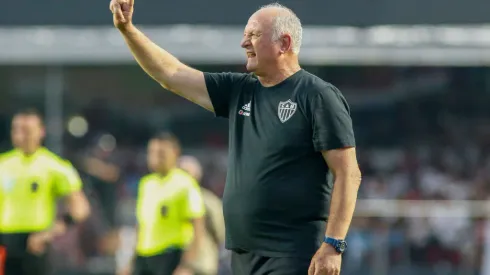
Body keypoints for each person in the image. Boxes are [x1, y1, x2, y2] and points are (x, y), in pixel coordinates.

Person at [109, 1, 362, 274]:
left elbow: (348, 173)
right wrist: (128, 30)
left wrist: (334, 244)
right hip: (243, 254)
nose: (243, 42)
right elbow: (171, 74)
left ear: (284, 43)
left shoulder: (317, 96)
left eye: (253, 34)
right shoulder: (240, 90)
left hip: (294, 251)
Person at [0, 108, 91, 275]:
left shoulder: (55, 166)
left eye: (27, 130)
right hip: (5, 244)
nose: (21, 135)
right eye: (16, 129)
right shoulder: (3, 164)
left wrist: (48, 234)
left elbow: (81, 209)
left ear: (41, 132)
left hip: (36, 245)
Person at [120, 132, 206, 275]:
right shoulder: (146, 184)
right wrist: (130, 261)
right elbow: (141, 225)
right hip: (144, 255)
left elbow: (198, 226)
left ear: (175, 153)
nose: (155, 157)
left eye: (161, 153)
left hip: (170, 255)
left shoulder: (185, 183)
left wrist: (187, 266)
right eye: (152, 152)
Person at [178, 156, 226, 275]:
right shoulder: (172, 200)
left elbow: (221, 233)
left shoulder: (208, 201)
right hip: (177, 261)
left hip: (201, 262)